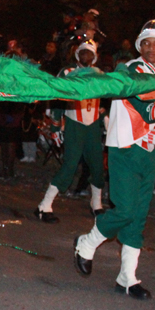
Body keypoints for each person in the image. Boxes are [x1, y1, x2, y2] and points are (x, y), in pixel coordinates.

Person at [73, 20, 155, 300]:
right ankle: (87, 243)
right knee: (125, 209)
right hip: (125, 147)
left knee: (138, 217)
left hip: (148, 153)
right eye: (146, 42)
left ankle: (127, 277)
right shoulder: (128, 71)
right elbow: (150, 110)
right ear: (140, 45)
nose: (151, 48)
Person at [35, 41, 106, 222]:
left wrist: (106, 118)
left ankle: (96, 204)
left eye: (89, 52)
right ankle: (44, 205)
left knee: (97, 166)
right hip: (75, 122)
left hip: (93, 125)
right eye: (83, 51)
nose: (86, 55)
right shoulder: (67, 72)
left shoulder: (100, 75)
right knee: (70, 165)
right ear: (77, 54)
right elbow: (58, 98)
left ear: (95, 56)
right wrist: (56, 126)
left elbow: (108, 98)